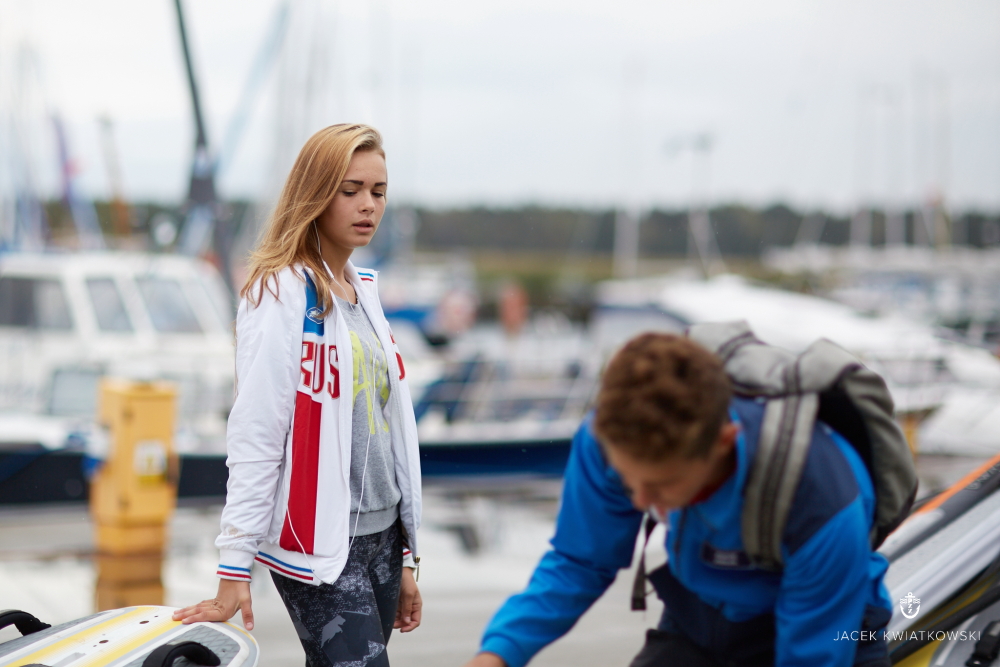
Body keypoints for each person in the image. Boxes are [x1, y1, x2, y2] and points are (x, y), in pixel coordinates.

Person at [463, 333, 893, 667]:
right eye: (629, 482)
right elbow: (581, 561)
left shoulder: (821, 499)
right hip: (700, 616)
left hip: (831, 626)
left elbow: (811, 656)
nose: (642, 501)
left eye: (662, 485)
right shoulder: (609, 436)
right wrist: (498, 653)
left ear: (723, 443)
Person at [174, 124, 423, 667]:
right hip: (318, 542)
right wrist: (234, 564)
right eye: (350, 190)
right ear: (316, 193)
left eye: (378, 191)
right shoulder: (279, 293)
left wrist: (408, 555)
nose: (368, 205)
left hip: (384, 536)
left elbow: (388, 433)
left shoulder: (365, 292)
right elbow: (257, 430)